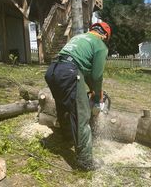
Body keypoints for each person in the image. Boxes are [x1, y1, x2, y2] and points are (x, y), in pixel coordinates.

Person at [44, 22, 111, 171]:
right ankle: (85, 161)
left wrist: (92, 89)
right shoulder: (100, 45)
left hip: (53, 71)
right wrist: (98, 95)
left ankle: (67, 137)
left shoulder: (79, 37)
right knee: (82, 115)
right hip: (70, 72)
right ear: (105, 35)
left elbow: (82, 69)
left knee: (63, 106)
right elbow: (96, 75)